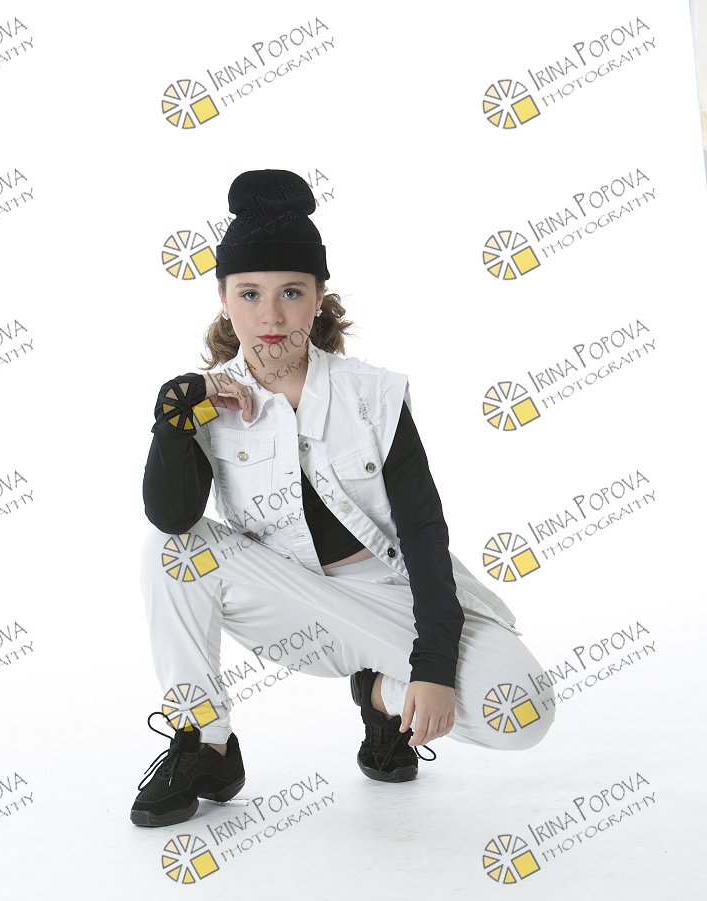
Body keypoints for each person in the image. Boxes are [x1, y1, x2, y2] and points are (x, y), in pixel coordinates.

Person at [132, 168, 555, 828]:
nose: (271, 316)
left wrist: (432, 668)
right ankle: (205, 745)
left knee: (524, 711)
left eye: (291, 292)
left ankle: (382, 698)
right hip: (285, 601)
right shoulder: (207, 399)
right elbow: (172, 516)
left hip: (389, 594)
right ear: (223, 297)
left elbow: (423, 533)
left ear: (318, 298)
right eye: (250, 293)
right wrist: (175, 412)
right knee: (171, 549)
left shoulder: (373, 394)